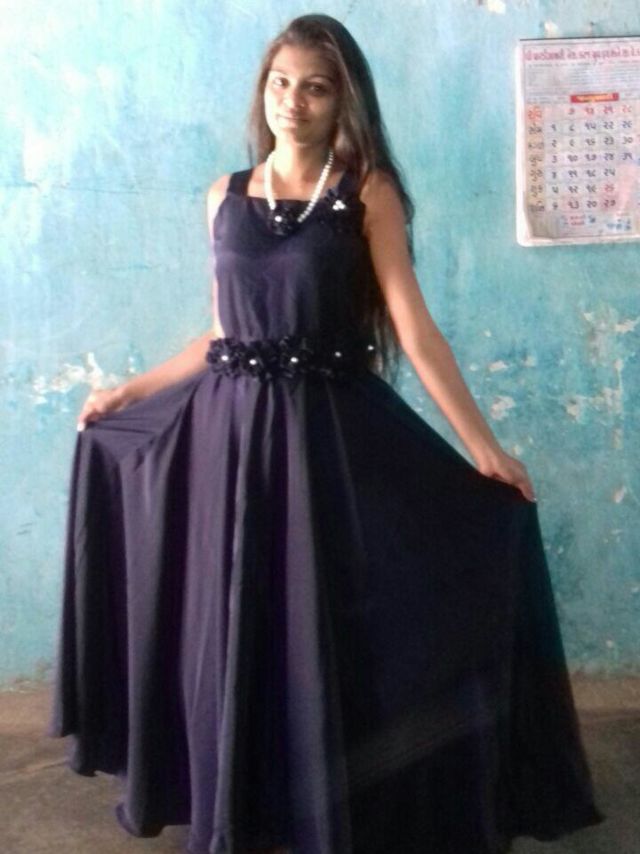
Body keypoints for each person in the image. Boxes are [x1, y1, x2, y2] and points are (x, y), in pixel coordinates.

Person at [47, 12, 604, 854]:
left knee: (329, 626)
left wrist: (483, 448)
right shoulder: (224, 195)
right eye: (281, 83)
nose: (293, 101)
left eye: (314, 87)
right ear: (262, 90)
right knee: (236, 620)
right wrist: (130, 389)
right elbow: (223, 332)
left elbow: (413, 329)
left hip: (328, 442)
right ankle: (247, 801)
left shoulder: (367, 193)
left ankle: (340, 805)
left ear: (343, 99)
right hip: (229, 442)